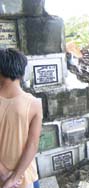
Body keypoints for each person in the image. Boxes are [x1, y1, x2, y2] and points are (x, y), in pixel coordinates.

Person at [0, 48, 43, 188]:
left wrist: (4, 173)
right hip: (24, 178)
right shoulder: (34, 104)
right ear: (22, 72)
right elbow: (32, 145)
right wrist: (14, 177)